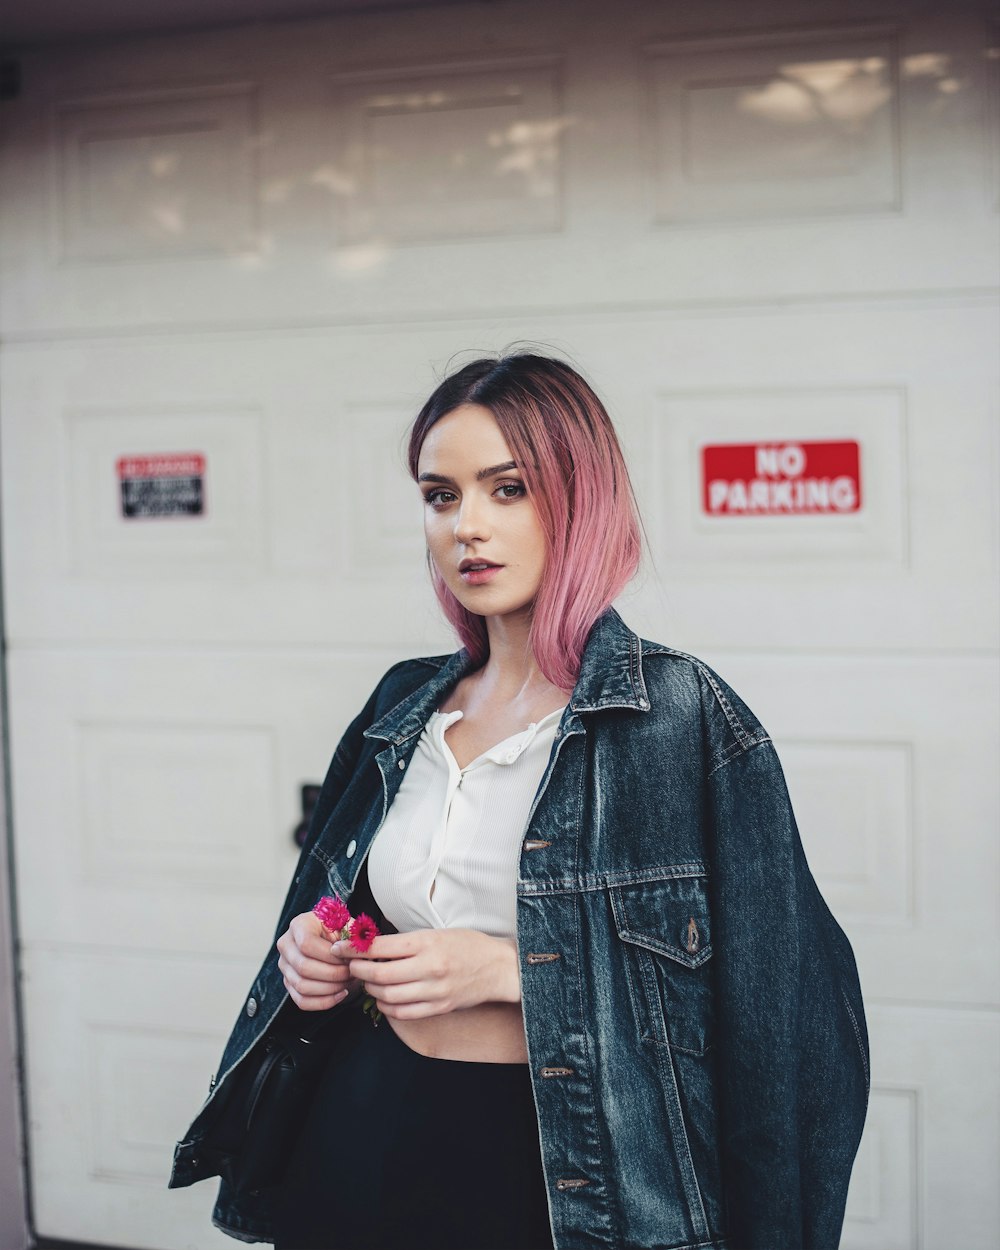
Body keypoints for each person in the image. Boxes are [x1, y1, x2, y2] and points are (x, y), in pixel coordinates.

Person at [170, 352, 869, 1250]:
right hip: (360, 1129)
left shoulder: (680, 721)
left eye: (507, 489)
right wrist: (320, 959)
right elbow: (349, 916)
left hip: (565, 1178)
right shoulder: (401, 706)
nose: (468, 526)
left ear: (579, 500)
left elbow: (784, 1027)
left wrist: (507, 972)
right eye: (440, 495)